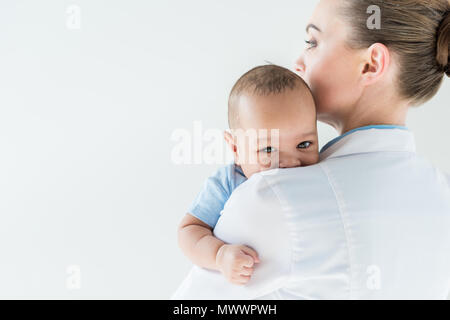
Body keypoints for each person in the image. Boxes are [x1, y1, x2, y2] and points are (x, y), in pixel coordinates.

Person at [173, 0, 450, 299]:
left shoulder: (274, 196)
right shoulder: (441, 196)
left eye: (313, 42)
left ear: (371, 64)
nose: (299, 62)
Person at [177, 65, 319, 285]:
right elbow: (189, 230)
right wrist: (219, 255)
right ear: (235, 148)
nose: (291, 163)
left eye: (304, 144)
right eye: (268, 150)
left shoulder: (320, 172)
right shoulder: (229, 182)